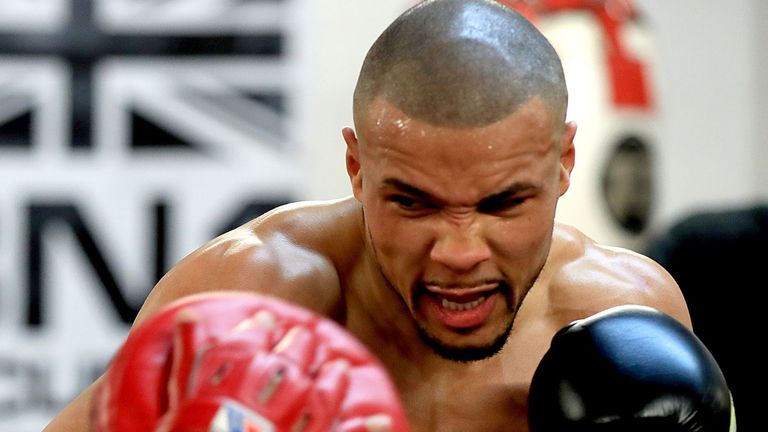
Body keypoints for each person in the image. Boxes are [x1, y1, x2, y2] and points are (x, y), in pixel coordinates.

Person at [44, 0, 723, 430]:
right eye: (413, 201)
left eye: (504, 202)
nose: (459, 253)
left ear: (564, 163)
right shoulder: (252, 298)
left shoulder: (625, 320)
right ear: (357, 168)